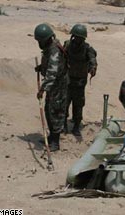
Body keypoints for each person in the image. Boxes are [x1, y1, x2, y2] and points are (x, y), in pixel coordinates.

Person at [34, 23, 68, 152]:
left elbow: (52, 74)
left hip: (58, 86)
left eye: (40, 41)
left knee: (56, 111)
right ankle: (51, 137)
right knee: (49, 109)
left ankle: (55, 142)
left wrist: (42, 89)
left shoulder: (54, 52)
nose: (39, 43)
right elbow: (49, 68)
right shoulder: (50, 47)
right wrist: (41, 68)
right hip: (54, 85)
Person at [64, 24, 97, 136]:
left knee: (78, 104)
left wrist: (93, 68)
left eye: (80, 38)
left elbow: (92, 59)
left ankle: (76, 126)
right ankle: (63, 124)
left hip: (80, 81)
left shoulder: (87, 49)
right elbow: (61, 56)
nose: (77, 40)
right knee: (65, 102)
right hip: (68, 79)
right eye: (75, 37)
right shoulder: (68, 45)